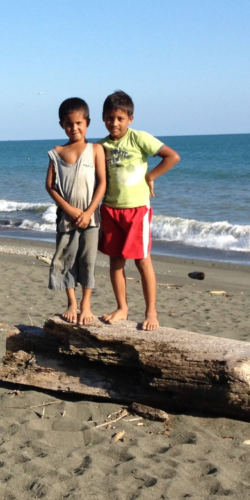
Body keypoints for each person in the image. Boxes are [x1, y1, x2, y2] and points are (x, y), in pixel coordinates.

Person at [97, 90, 180, 331]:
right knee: (116, 261)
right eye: (110, 118)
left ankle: (151, 311)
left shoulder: (138, 138)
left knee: (143, 261)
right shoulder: (101, 146)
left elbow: (172, 156)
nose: (115, 123)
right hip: (111, 210)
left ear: (130, 119)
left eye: (120, 119)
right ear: (103, 118)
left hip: (137, 212)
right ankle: (122, 307)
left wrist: (150, 175)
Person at [45, 97, 107, 324]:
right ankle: (71, 303)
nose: (74, 128)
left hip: (91, 218)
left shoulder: (96, 149)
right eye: (69, 124)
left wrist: (89, 211)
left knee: (88, 259)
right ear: (62, 124)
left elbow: (102, 183)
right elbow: (50, 186)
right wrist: (69, 209)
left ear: (87, 122)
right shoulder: (57, 152)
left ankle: (85, 305)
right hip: (66, 218)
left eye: (79, 123)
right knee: (65, 258)